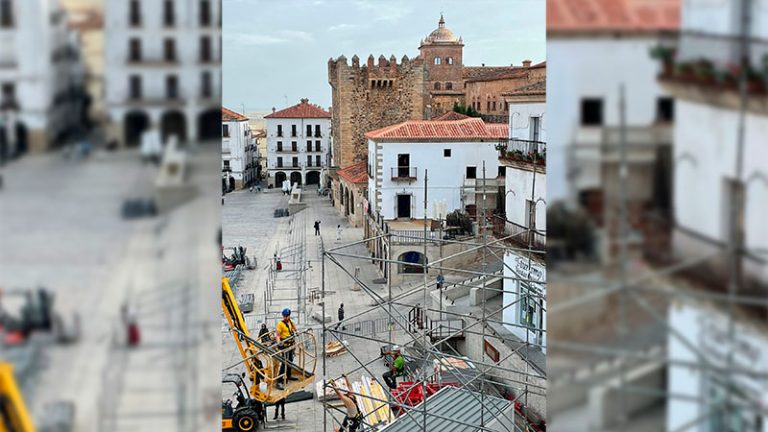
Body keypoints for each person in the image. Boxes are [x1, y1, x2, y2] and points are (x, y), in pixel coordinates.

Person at [275, 308, 299, 390]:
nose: (286, 318)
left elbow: (294, 328)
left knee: (290, 360)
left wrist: (296, 332)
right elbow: (277, 335)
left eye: (287, 316)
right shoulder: (280, 324)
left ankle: (288, 375)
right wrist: (279, 342)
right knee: (285, 362)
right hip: (285, 345)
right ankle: (279, 381)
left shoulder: (290, 322)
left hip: (291, 344)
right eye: (285, 316)